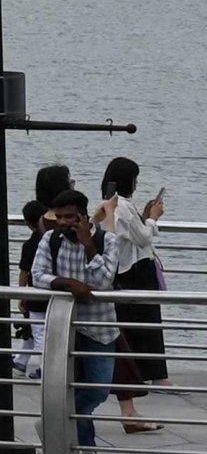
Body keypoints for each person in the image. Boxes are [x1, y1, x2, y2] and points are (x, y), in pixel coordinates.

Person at [30, 185, 115, 454]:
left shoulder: (107, 241)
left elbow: (104, 281)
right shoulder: (50, 240)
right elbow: (38, 275)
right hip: (64, 325)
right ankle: (86, 449)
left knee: (98, 389)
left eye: (70, 217)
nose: (65, 223)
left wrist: (88, 246)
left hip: (100, 327)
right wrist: (69, 284)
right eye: (61, 217)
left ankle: (53, 423)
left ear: (84, 216)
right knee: (69, 387)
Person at [99, 156, 169, 430]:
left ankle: (130, 407)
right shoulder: (122, 207)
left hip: (120, 277)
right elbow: (142, 237)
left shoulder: (111, 206)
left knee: (125, 340)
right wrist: (152, 219)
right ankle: (131, 406)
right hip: (130, 276)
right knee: (129, 338)